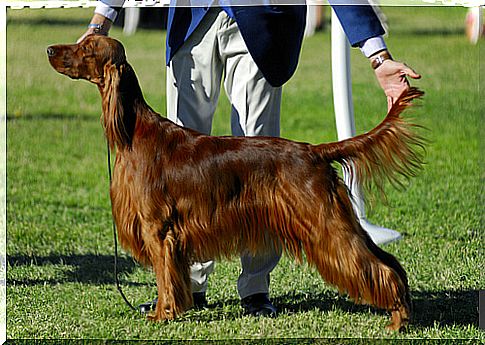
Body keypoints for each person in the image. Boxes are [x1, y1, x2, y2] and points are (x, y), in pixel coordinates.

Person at [79, 0, 421, 317]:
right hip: (191, 19)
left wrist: (376, 53)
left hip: (259, 21)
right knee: (180, 172)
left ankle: (255, 291)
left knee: (262, 163)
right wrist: (102, 18)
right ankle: (184, 288)